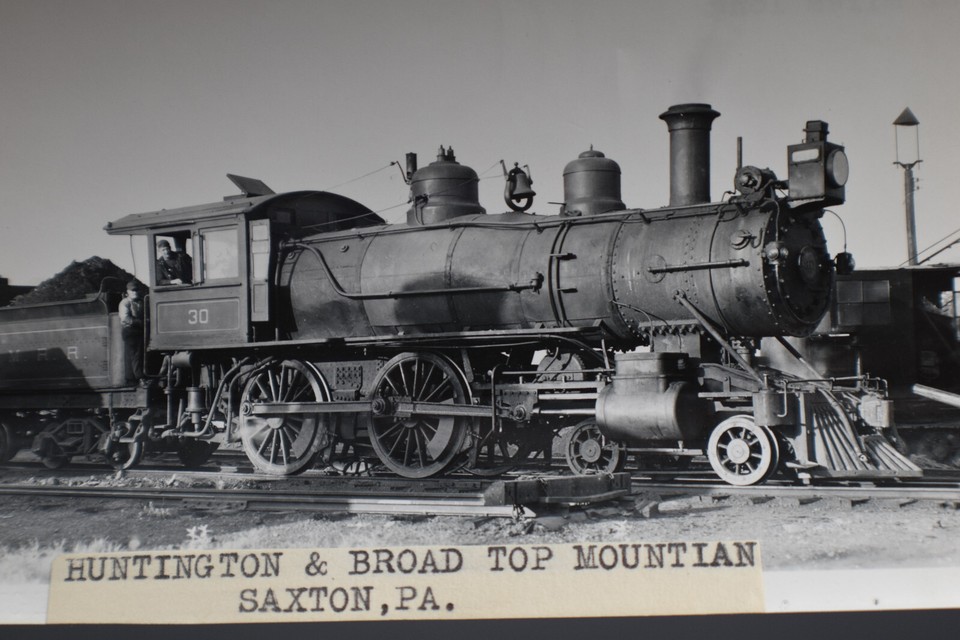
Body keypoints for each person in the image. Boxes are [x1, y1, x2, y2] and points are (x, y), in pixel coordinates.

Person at [118, 280, 145, 383]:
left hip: (139, 330)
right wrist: (140, 322)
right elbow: (125, 318)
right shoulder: (125, 303)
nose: (135, 292)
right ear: (128, 292)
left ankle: (135, 376)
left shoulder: (141, 301)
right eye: (133, 290)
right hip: (130, 330)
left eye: (137, 290)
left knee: (139, 354)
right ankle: (138, 377)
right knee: (135, 354)